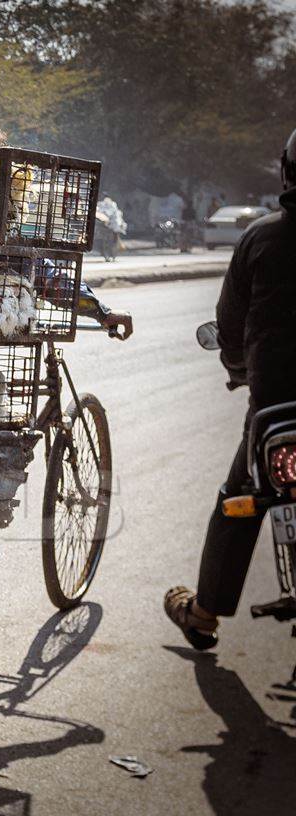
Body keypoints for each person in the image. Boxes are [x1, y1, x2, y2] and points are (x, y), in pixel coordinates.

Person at [165, 127, 296, 649]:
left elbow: (231, 323)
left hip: (276, 403)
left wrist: (240, 368)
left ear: (287, 172)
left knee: (240, 499)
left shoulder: (261, 238)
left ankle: (203, 614)